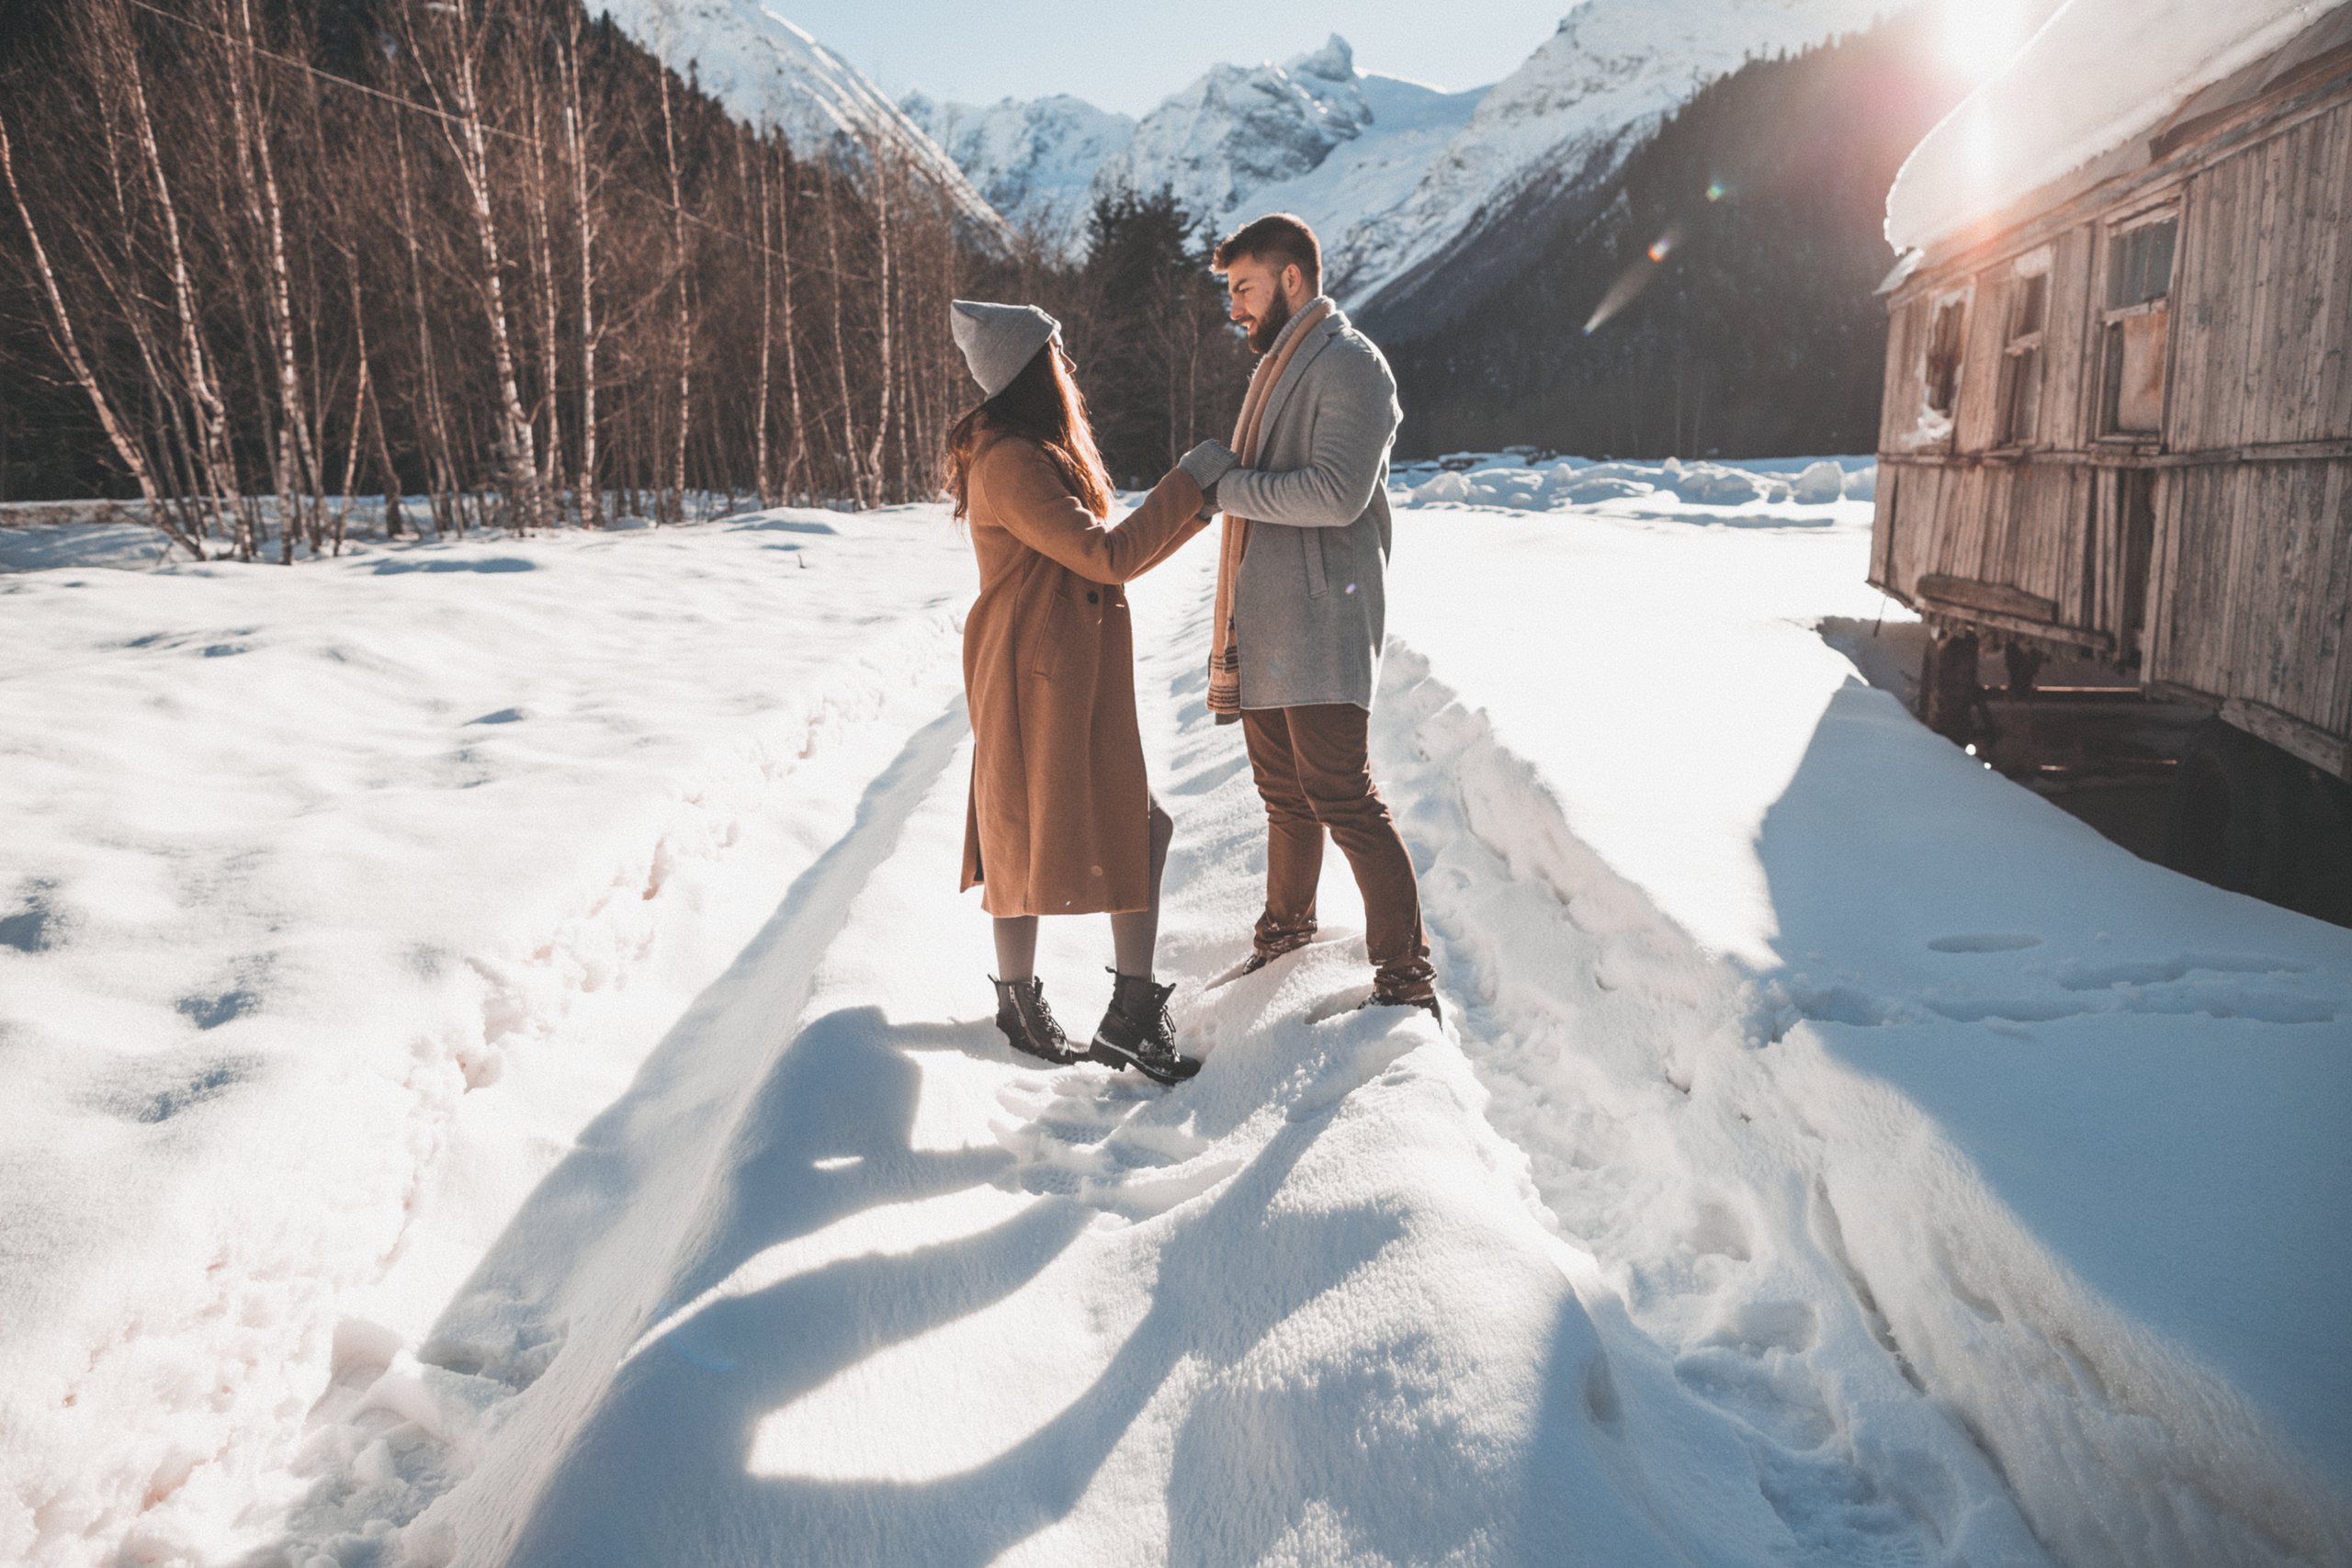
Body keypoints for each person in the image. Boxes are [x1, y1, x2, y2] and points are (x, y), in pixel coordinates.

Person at [945, 299, 1238, 1084]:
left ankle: (1103, 1011)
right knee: (1027, 824)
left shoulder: (1024, 449)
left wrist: (1196, 502)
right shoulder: (1008, 460)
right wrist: (1191, 483)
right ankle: (1081, 1008)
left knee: (1122, 824)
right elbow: (1103, 556)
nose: (1068, 368)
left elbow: (1105, 556)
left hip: (1059, 667)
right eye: (1056, 355)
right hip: (1032, 672)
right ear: (1028, 372)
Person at [1199, 214, 1441, 1019]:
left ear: (1292, 280)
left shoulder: (1352, 367)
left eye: (1244, 288)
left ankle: (1408, 977)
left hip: (1322, 624)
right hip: (1268, 625)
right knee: (1285, 795)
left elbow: (1335, 494)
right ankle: (1287, 931)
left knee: (1341, 792)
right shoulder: (1281, 366)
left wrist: (1225, 486)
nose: (1233, 305)